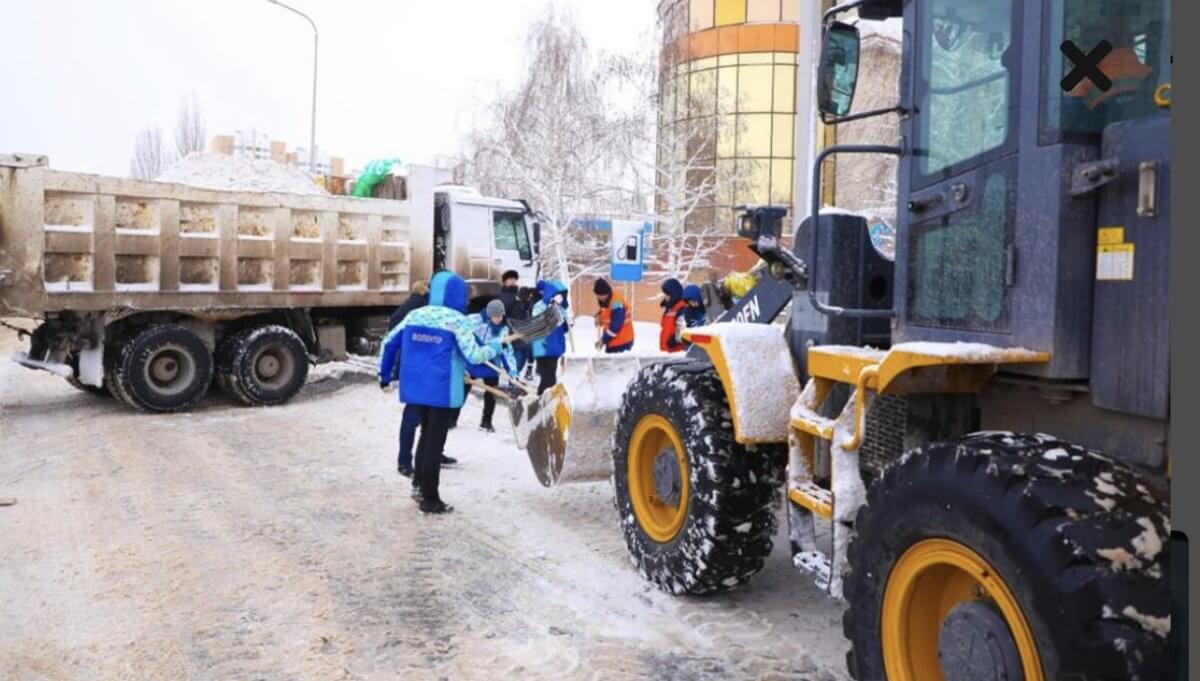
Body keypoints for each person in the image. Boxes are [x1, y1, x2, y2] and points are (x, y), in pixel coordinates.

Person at [379, 270, 503, 514]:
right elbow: (474, 355)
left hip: (415, 387)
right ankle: (431, 498)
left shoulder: (415, 315)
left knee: (424, 435)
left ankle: (418, 485)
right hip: (442, 389)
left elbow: (388, 342)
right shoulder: (458, 321)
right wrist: (495, 347)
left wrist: (385, 376)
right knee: (434, 440)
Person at [386, 280, 430, 478]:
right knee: (416, 418)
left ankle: (409, 459)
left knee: (416, 417)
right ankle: (405, 461)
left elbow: (392, 336)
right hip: (419, 369)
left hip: (410, 367)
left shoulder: (407, 306)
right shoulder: (422, 309)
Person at [466, 299, 518, 433]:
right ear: (489, 314)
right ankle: (451, 419)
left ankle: (486, 422)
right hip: (473, 362)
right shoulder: (474, 320)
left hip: (491, 365)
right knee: (462, 391)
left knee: (491, 394)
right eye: (496, 316)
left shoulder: (503, 330)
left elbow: (507, 351)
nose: (499, 319)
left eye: (501, 316)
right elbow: (462, 335)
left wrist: (512, 370)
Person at [531, 279, 569, 395]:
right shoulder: (540, 306)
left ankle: (546, 400)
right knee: (548, 378)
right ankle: (541, 400)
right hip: (543, 347)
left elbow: (563, 329)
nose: (560, 299)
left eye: (562, 296)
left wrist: (568, 323)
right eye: (558, 295)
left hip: (555, 347)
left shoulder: (561, 308)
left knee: (551, 376)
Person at [497, 270, 532, 375]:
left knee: (523, 355)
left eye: (514, 279)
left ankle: (514, 379)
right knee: (516, 358)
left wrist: (526, 302)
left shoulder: (520, 294)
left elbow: (526, 311)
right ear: (505, 281)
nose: (512, 281)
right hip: (511, 333)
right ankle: (513, 380)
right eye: (510, 279)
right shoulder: (502, 297)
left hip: (523, 332)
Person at [592, 278, 634, 354]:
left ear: (607, 293)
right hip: (614, 341)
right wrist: (599, 318)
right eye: (598, 296)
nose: (600, 298)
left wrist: (603, 340)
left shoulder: (616, 304)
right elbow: (608, 314)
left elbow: (615, 326)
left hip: (621, 341)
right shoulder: (607, 300)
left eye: (601, 295)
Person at [659, 278, 688, 353]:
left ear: (673, 294)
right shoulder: (670, 308)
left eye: (667, 295)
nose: (665, 297)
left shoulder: (682, 308)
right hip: (668, 351)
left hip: (679, 352)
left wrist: (675, 340)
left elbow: (684, 329)